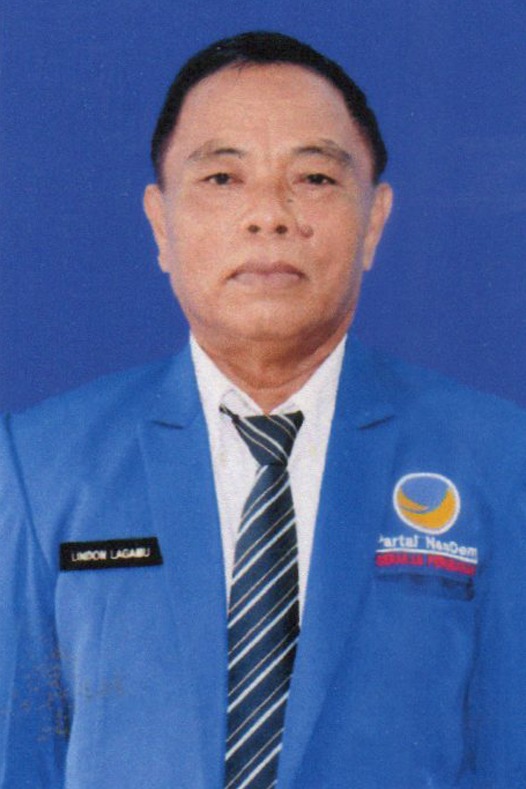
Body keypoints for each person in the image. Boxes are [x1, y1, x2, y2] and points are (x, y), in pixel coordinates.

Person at [1, 30, 526, 789]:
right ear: (160, 224)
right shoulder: (41, 464)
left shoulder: (499, 458)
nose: (270, 216)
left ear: (374, 221)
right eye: (223, 177)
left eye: (314, 177)